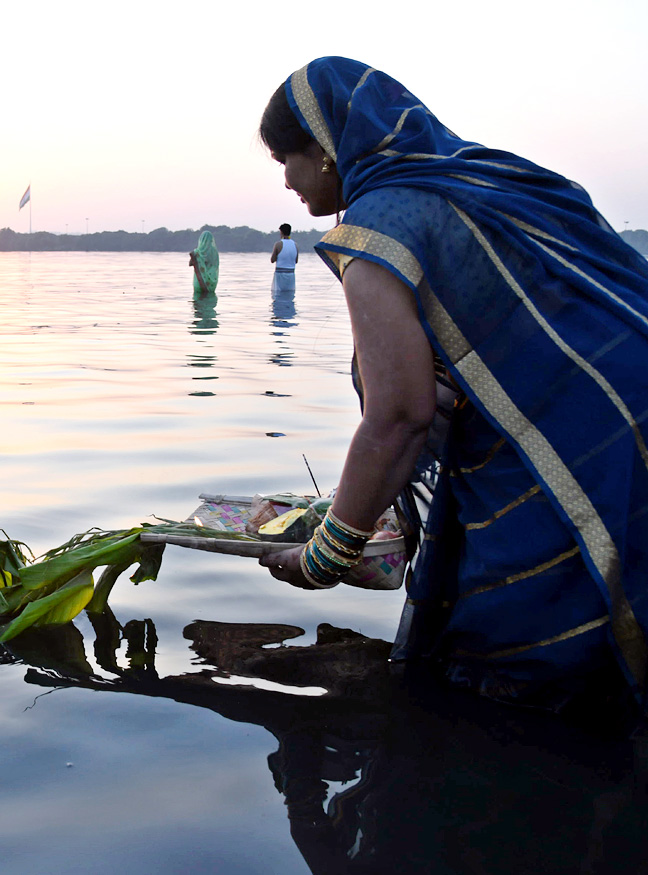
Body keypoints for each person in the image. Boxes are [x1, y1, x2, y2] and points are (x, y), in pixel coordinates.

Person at [255, 57, 648, 712]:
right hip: (620, 404)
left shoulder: (376, 227)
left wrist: (325, 555)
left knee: (520, 671)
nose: (288, 182)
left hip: (574, 446)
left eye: (286, 160)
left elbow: (400, 415)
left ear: (325, 153)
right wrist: (386, 508)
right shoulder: (485, 180)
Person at [189, 229, 219, 297]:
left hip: (198, 282)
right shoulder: (214, 252)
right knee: (209, 302)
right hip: (210, 283)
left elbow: (190, 264)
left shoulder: (198, 252)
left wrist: (198, 259)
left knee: (198, 303)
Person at [269, 223, 299, 293]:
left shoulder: (278, 244)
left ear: (281, 232)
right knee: (289, 294)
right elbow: (296, 261)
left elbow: (272, 260)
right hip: (291, 274)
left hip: (280, 274)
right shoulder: (295, 245)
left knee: (277, 295)